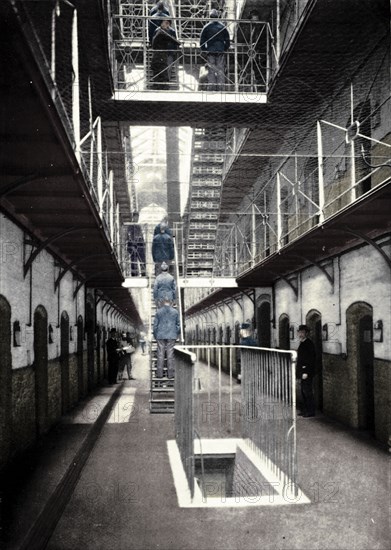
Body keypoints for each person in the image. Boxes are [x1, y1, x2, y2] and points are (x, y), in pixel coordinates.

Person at [200, 9, 231, 91]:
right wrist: (224, 48)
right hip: (220, 51)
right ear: (218, 17)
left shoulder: (206, 27)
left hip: (210, 51)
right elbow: (227, 40)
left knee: (211, 71)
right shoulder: (222, 27)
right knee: (220, 70)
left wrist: (204, 49)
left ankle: (211, 88)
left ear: (210, 17)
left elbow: (202, 41)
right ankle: (221, 89)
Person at [153, 298, 181, 379]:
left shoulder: (158, 312)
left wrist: (156, 335)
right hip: (171, 335)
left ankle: (159, 374)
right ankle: (170, 375)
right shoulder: (175, 312)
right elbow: (178, 325)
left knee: (160, 354)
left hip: (160, 335)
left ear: (163, 303)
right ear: (171, 303)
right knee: (170, 355)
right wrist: (176, 334)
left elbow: (155, 326)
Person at [151, 17, 180, 90]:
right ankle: (163, 87)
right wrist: (178, 43)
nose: (168, 26)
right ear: (162, 24)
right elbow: (172, 39)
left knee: (159, 72)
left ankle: (158, 86)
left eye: (168, 24)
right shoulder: (161, 32)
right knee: (163, 72)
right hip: (161, 54)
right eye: (166, 23)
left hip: (158, 54)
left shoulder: (159, 31)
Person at [296, 324, 316, 417]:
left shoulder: (309, 344)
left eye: (302, 332)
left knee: (307, 392)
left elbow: (310, 360)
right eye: (299, 332)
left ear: (306, 333)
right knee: (303, 391)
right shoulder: (302, 343)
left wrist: (306, 372)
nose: (300, 334)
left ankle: (310, 411)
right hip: (302, 372)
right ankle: (305, 410)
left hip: (306, 372)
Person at [126, 212, 146, 276]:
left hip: (140, 245)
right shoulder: (130, 226)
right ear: (133, 217)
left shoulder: (138, 226)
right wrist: (131, 244)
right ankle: (134, 274)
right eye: (136, 217)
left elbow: (141, 235)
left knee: (142, 259)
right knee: (134, 260)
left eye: (138, 217)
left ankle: (143, 273)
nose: (137, 218)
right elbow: (129, 236)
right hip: (133, 245)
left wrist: (143, 243)